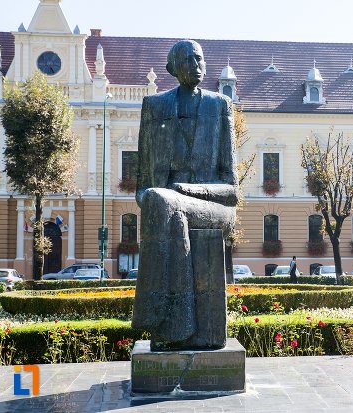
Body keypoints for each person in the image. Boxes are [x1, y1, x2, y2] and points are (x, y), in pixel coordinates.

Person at [132, 39, 238, 351]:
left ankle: (153, 314)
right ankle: (180, 325)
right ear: (174, 69)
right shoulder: (155, 108)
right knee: (161, 201)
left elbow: (232, 190)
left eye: (200, 59)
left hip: (214, 207)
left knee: (165, 200)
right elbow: (142, 188)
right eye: (188, 60)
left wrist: (185, 191)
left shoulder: (219, 106)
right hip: (167, 207)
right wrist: (163, 197)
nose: (196, 66)